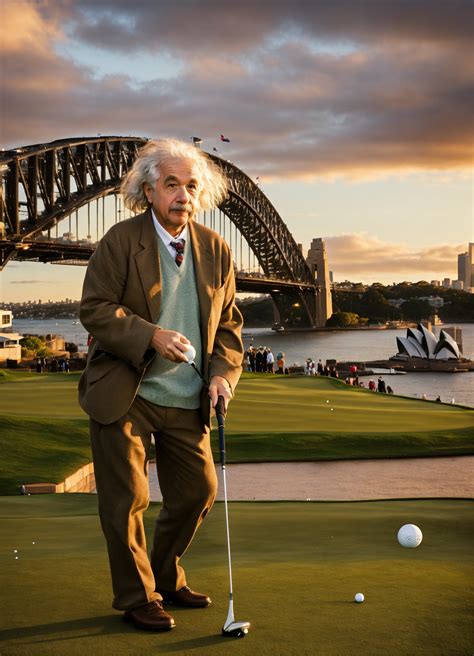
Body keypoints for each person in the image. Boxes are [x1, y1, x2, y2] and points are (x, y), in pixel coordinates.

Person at [78, 138, 243, 633]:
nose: (183, 195)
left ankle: (166, 575)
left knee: (197, 491)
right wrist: (150, 335)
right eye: (172, 184)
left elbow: (230, 325)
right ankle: (137, 596)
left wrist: (221, 374)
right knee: (126, 499)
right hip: (126, 391)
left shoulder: (215, 249)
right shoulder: (120, 241)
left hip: (186, 396)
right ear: (148, 190)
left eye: (192, 186)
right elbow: (95, 309)